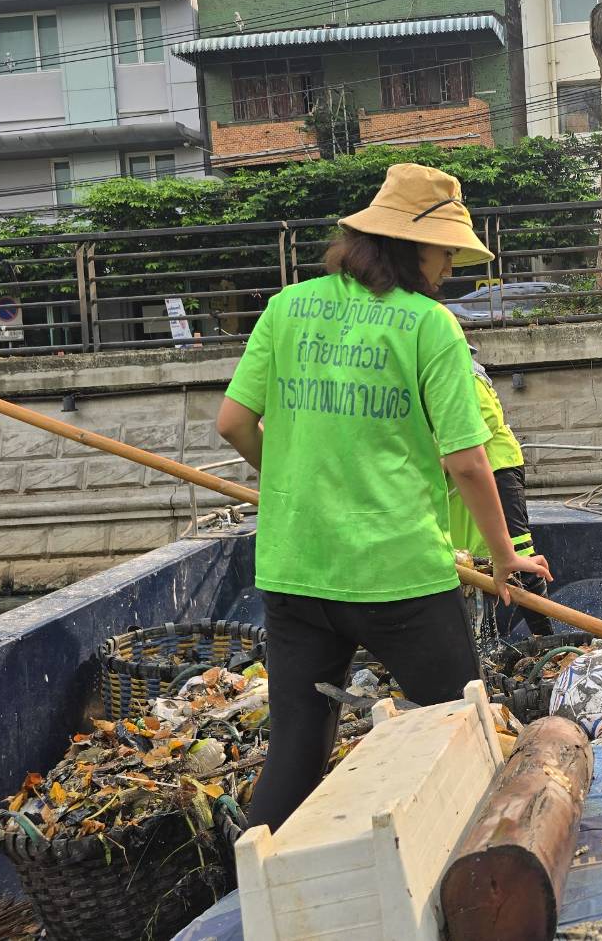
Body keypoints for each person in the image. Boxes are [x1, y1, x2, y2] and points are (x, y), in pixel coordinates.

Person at [216, 162, 551, 832]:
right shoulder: (429, 324)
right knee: (462, 730)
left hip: (295, 570)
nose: (450, 267)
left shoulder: (287, 307)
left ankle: (252, 884)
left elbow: (233, 423)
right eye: (444, 251)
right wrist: (503, 556)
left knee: (296, 750)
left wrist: (288, 488)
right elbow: (466, 460)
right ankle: (481, 874)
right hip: (397, 573)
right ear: (409, 246)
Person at [447, 341, 553, 637]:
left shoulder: (465, 375)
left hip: (497, 469)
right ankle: (482, 642)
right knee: (474, 561)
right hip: (470, 474)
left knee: (519, 554)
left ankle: (546, 640)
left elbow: (486, 421)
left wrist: (443, 458)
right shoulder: (445, 376)